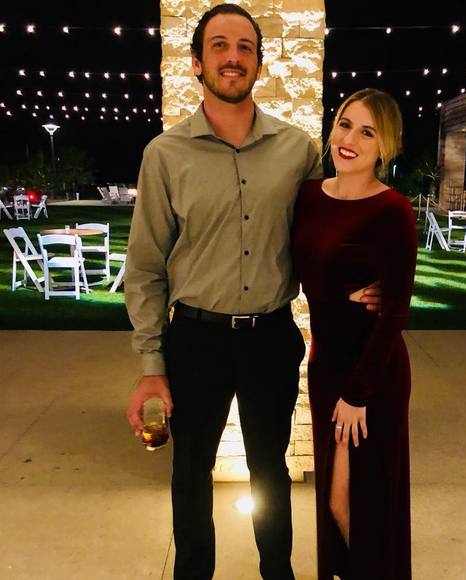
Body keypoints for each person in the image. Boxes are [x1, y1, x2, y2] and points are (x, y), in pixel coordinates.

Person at [124, 5, 380, 579]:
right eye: (219, 45)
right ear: (197, 62)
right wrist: (150, 364)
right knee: (190, 473)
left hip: (271, 337)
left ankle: (277, 573)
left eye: (244, 47)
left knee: (270, 470)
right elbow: (144, 269)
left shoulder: (298, 150)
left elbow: (325, 236)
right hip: (195, 339)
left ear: (259, 64)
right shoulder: (164, 155)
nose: (232, 57)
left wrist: (366, 278)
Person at [292, 88, 417, 579]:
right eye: (345, 124)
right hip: (326, 366)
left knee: (358, 503)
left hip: (371, 376)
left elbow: (395, 313)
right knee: (332, 500)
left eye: (368, 132)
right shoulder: (309, 196)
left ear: (385, 147)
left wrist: (358, 394)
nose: (350, 139)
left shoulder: (391, 210)